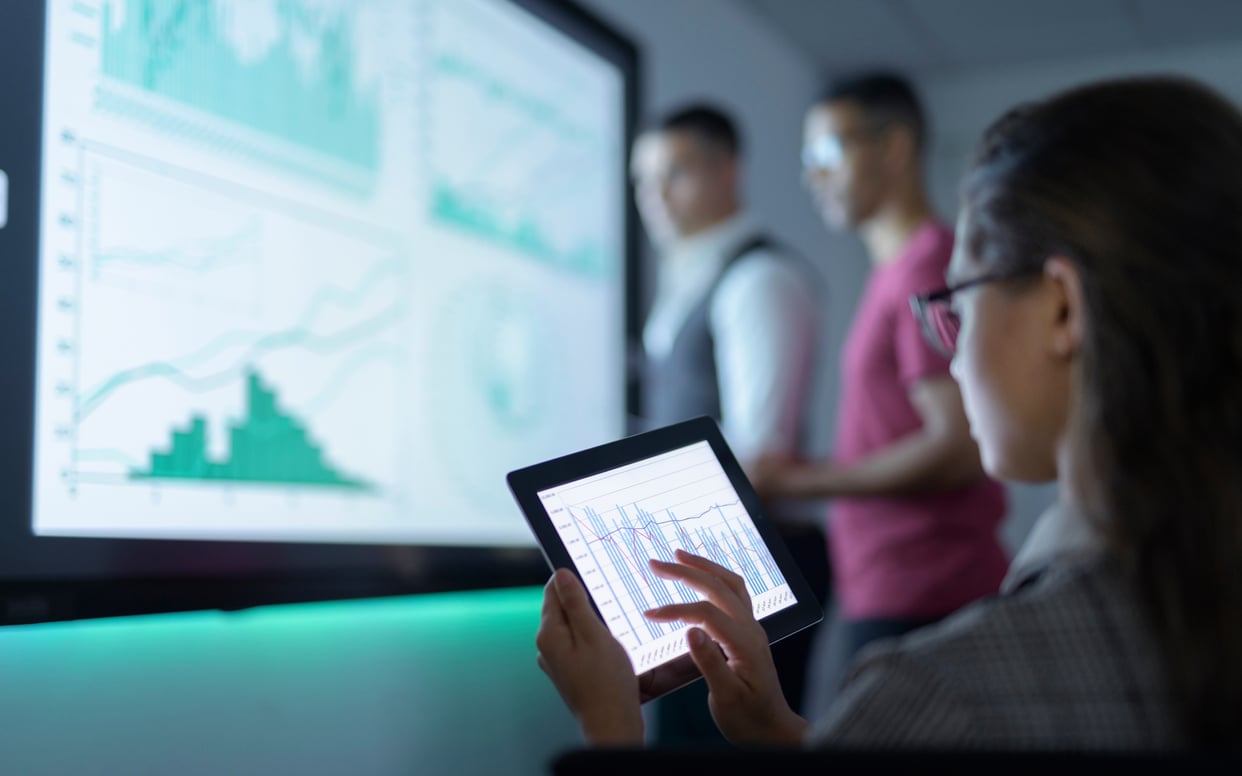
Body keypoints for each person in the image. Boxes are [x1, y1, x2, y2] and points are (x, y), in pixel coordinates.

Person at [536, 75, 1242, 749]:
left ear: (1061, 308)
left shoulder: (938, 690)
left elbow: (948, 450)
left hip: (912, 577)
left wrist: (609, 727)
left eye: (958, 304)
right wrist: (778, 728)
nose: (955, 354)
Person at [748, 73, 1008, 710]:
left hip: (924, 590)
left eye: (829, 155)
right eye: (808, 161)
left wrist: (794, 481)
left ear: (893, 149)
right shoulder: (900, 270)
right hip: (887, 584)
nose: (814, 178)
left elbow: (957, 448)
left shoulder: (925, 268)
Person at [629, 103, 828, 745]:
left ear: (728, 172)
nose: (654, 195)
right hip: (704, 571)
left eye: (676, 173)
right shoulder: (690, 278)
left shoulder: (760, 278)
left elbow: (760, 454)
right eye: (642, 179)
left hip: (750, 574)